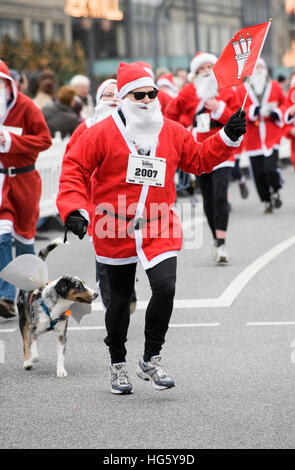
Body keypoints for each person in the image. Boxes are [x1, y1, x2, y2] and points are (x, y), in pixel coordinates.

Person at [56, 61, 246, 395]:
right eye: (138, 94)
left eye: (151, 93)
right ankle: (117, 364)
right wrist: (74, 209)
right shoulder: (100, 132)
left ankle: (151, 357)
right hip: (114, 226)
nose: (146, 100)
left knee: (166, 288)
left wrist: (227, 136)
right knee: (119, 301)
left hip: (159, 223)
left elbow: (199, 159)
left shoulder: (170, 130)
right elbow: (74, 169)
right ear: (125, 97)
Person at [64, 78, 138, 312]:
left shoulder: (135, 127)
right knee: (103, 252)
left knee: (128, 248)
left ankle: (128, 289)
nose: (114, 99)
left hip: (128, 203)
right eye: (108, 95)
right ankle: (112, 306)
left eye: (118, 94)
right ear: (98, 101)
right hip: (96, 203)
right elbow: (71, 164)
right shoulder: (85, 129)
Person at [165, 52, 240, 263]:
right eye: (202, 68)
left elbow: (237, 120)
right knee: (208, 197)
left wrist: (220, 109)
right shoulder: (187, 92)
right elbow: (169, 117)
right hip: (197, 147)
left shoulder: (226, 90)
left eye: (210, 67)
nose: (206, 71)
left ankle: (222, 242)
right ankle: (216, 239)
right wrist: (184, 127)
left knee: (219, 194)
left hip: (223, 144)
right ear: (195, 73)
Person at [0, 60, 52, 318]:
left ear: (7, 84)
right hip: (0, 183)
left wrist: (11, 140)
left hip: (23, 180)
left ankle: (32, 293)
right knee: (2, 234)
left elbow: (45, 140)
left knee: (23, 239)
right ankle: (6, 297)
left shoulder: (26, 106)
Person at [235, 58, 286, 214]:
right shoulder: (242, 90)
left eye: (261, 67)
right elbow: (238, 109)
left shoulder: (275, 86)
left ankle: (276, 188)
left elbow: (284, 104)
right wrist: (255, 111)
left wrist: (277, 113)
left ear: (265, 69)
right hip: (253, 138)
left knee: (270, 169)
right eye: (255, 67)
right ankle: (266, 201)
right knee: (258, 174)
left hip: (272, 135)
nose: (258, 70)